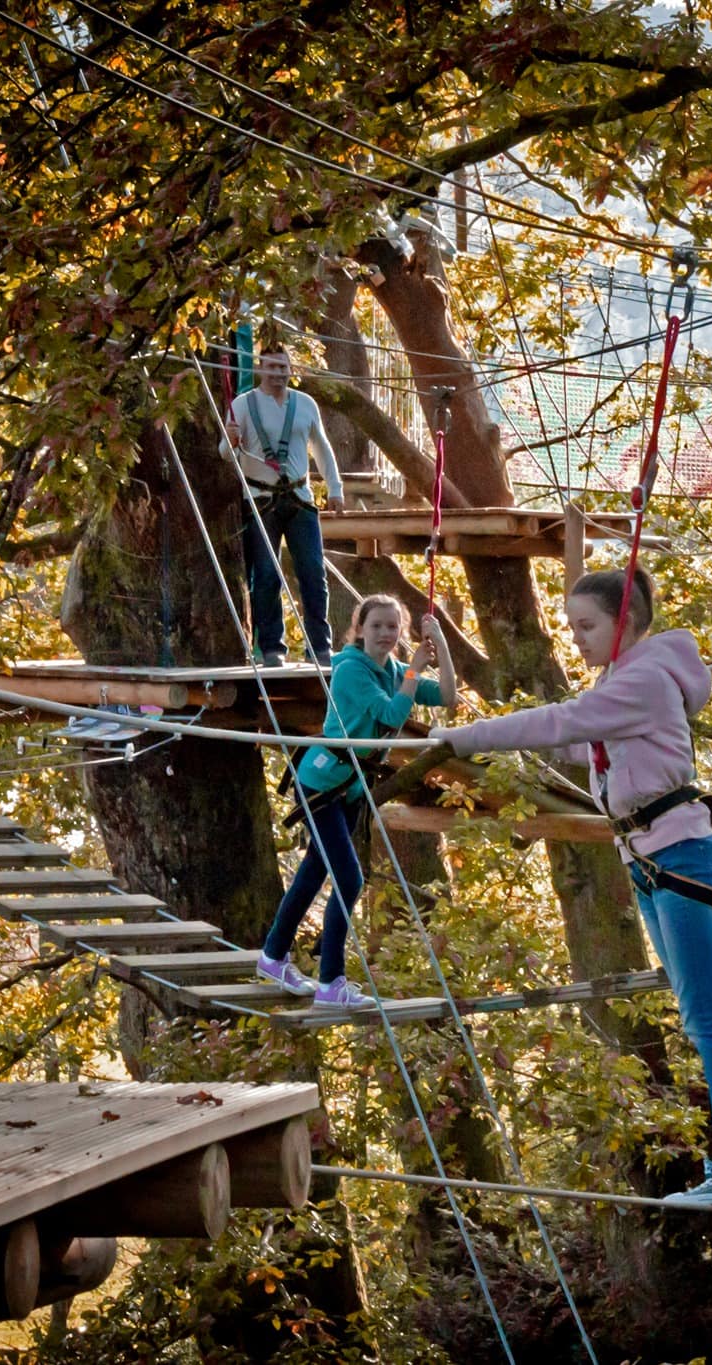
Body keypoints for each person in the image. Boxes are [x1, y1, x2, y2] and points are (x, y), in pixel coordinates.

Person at [431, 568, 712, 1210]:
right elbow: (582, 743)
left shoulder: (645, 678)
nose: (577, 639)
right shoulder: (622, 682)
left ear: (622, 622)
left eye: (586, 627)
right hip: (651, 859)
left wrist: (467, 737)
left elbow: (563, 723)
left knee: (706, 1019)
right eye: (571, 628)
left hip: (679, 856)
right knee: (702, 1015)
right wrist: (486, 742)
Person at [258, 595, 456, 1008]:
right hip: (321, 782)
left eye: (393, 627)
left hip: (348, 787)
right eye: (378, 626)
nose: (385, 634)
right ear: (360, 629)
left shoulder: (397, 670)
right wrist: (416, 670)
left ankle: (273, 956)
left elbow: (450, 697)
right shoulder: (350, 670)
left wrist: (441, 643)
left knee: (314, 870)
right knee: (349, 878)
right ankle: (331, 981)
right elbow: (389, 717)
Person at [222, 346, 344, 664]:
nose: (279, 373)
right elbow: (226, 452)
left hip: (299, 497)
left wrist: (335, 488)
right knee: (265, 574)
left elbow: (321, 445)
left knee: (313, 572)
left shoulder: (304, 404)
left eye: (284, 367)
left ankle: (320, 646)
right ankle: (272, 647)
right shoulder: (243, 405)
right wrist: (230, 440)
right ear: (261, 369)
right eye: (273, 367)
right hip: (261, 498)